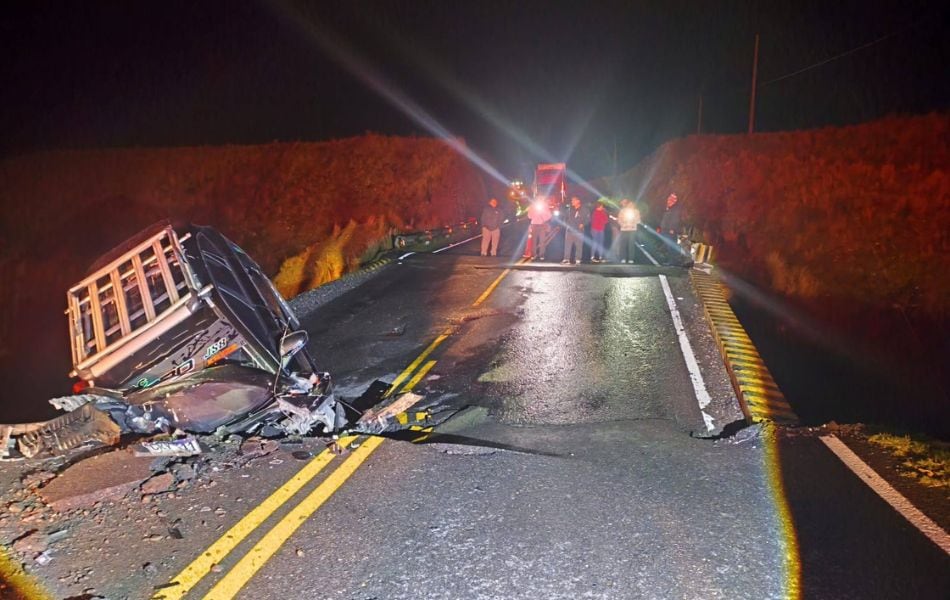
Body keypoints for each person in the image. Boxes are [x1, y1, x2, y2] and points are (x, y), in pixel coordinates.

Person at [561, 196, 589, 264]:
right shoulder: (570, 209)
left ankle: (578, 259)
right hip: (569, 230)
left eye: (574, 200)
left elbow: (588, 219)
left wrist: (583, 224)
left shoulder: (584, 210)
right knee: (567, 245)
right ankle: (566, 259)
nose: (572, 202)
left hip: (579, 231)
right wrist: (566, 224)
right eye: (572, 200)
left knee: (579, 245)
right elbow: (565, 218)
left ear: (578, 201)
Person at [617, 198, 641, 264]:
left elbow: (639, 220)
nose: (631, 205)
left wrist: (634, 220)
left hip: (632, 229)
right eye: (630, 204)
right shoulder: (622, 211)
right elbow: (619, 219)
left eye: (632, 204)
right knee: (623, 244)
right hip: (624, 229)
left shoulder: (636, 211)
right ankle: (623, 258)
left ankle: (631, 259)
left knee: (631, 244)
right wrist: (623, 224)